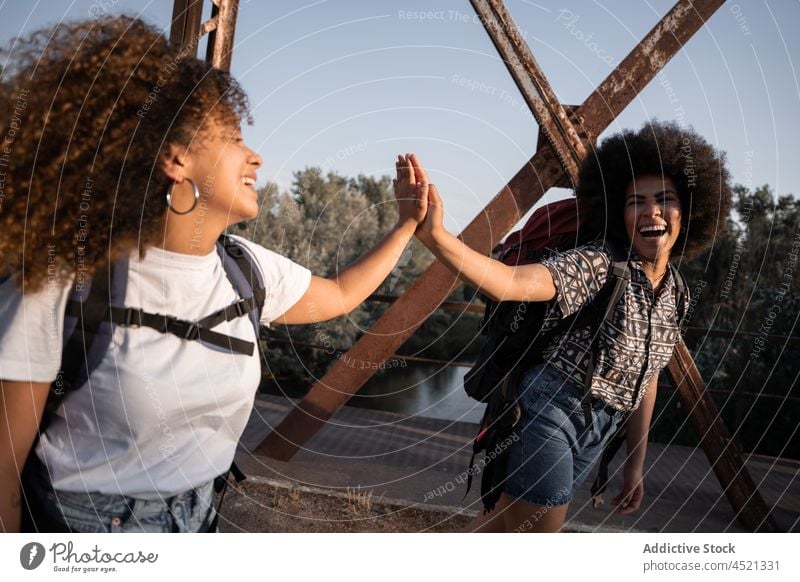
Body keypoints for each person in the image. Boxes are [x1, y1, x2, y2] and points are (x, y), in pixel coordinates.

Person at [0, 16, 427, 533]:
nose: (256, 156)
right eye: (233, 138)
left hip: (201, 518)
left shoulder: (246, 270)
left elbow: (339, 294)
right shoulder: (60, 281)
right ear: (175, 159)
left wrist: (406, 226)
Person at [397, 121, 731, 532]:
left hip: (602, 429)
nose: (651, 211)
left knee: (500, 526)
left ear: (690, 211)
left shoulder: (676, 293)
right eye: (635, 202)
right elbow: (513, 283)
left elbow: (647, 378)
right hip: (550, 411)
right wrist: (435, 236)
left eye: (665, 199)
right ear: (619, 212)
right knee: (539, 534)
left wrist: (635, 464)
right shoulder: (600, 263)